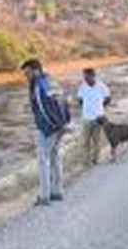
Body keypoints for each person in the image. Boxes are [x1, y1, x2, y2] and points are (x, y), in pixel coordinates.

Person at [21, 59, 68, 206]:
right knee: (55, 158)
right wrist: (64, 124)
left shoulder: (38, 86)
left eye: (27, 73)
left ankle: (44, 196)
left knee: (43, 161)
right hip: (60, 126)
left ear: (36, 70)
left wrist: (52, 126)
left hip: (47, 128)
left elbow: (42, 109)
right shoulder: (52, 81)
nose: (26, 76)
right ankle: (57, 192)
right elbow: (64, 102)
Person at [77, 68, 111, 165]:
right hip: (86, 118)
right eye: (84, 76)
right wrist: (87, 108)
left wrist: (100, 107)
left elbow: (108, 98)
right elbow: (79, 100)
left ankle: (96, 159)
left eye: (86, 76)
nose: (85, 78)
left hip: (98, 118)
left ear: (92, 76)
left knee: (97, 141)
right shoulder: (82, 87)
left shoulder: (101, 86)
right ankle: (86, 161)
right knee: (85, 142)